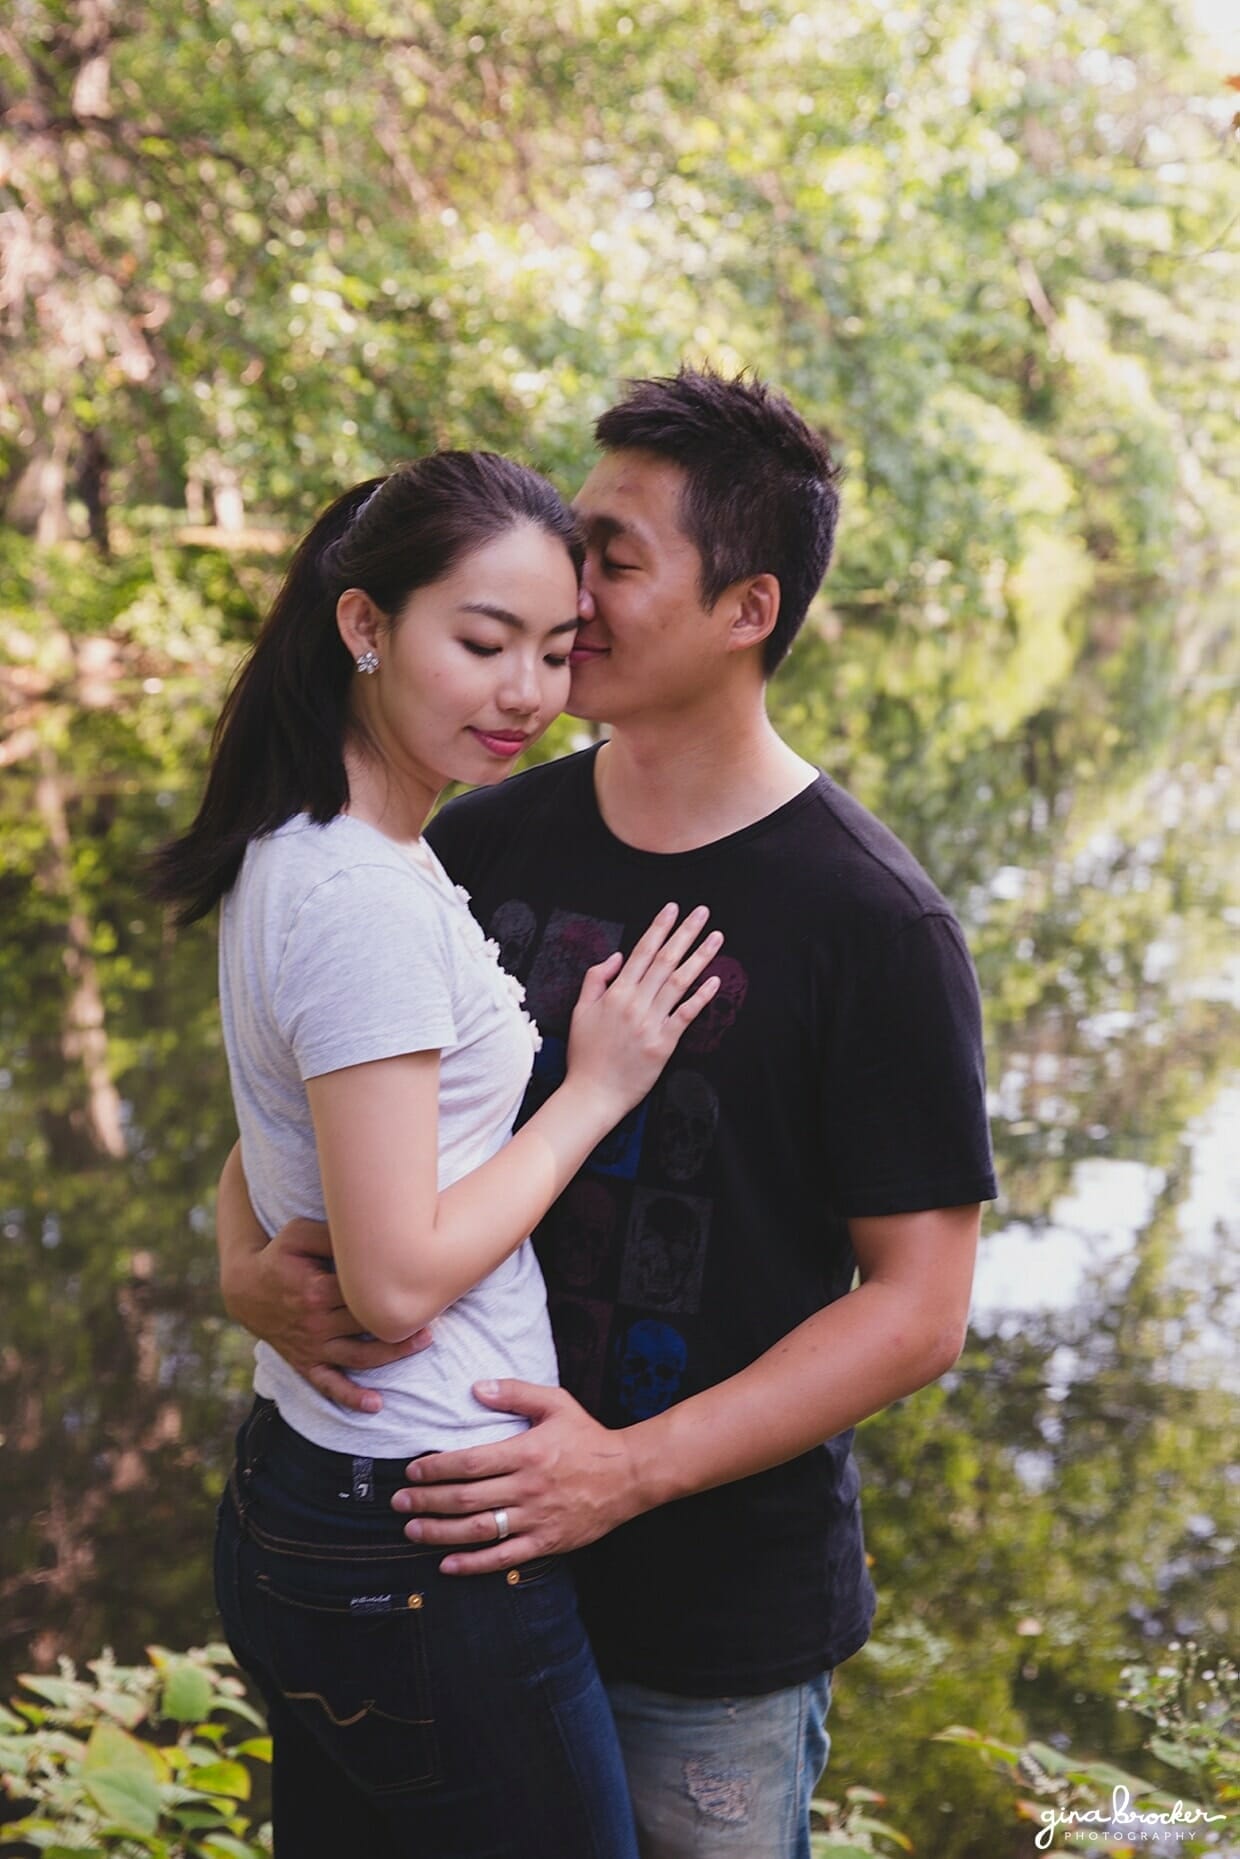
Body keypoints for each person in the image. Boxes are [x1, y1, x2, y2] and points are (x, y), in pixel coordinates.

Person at [218, 372, 998, 1859]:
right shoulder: (477, 833)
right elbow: (312, 1114)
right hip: (436, 1567)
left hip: (703, 1628)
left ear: (748, 608)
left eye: (614, 560)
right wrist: (242, 1264)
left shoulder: (871, 923)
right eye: (573, 545)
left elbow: (918, 1312)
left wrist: (625, 1472)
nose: (569, 593)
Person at [152, 450, 726, 1859]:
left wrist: (238, 1258)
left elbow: (282, 1123)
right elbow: (398, 1282)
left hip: (324, 1492)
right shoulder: (364, 897)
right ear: (364, 624)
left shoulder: (318, 844)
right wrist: (594, 1091)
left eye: (554, 648)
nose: (526, 692)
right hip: (422, 1532)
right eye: (481, 643)